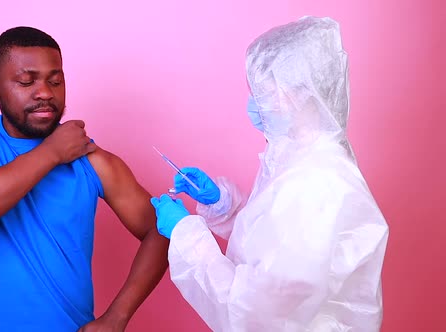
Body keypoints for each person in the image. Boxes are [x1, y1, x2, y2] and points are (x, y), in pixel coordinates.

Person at [0, 26, 169, 332]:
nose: (45, 93)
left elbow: (162, 229)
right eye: (27, 82)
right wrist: (51, 153)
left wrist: (117, 317)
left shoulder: (91, 160)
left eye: (56, 81)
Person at [151, 16, 389, 331]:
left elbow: (256, 312)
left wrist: (187, 235)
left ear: (301, 93)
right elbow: (272, 242)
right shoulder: (299, 157)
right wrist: (223, 205)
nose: (255, 103)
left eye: (264, 90)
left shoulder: (319, 181)